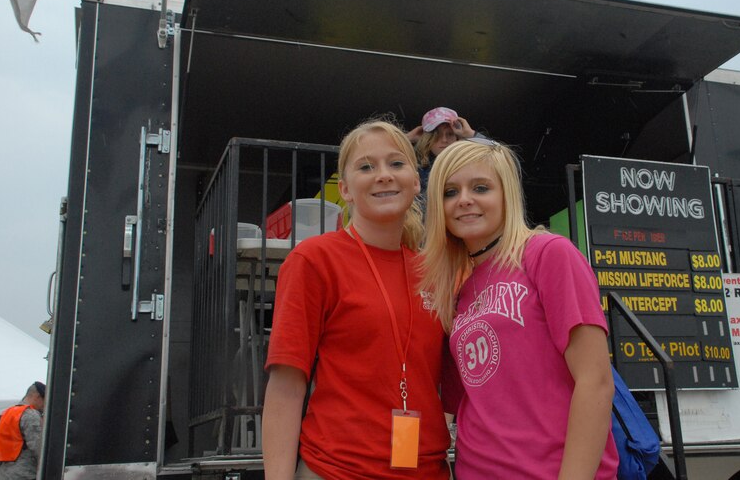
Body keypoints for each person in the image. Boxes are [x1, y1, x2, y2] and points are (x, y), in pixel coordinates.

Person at [262, 119, 450, 480]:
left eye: (396, 163)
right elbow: (286, 387)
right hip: (337, 470)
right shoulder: (314, 260)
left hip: (428, 470)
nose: (383, 175)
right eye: (366, 167)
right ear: (345, 189)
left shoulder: (434, 271)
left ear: (416, 181)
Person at [420, 139, 619, 479]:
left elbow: (596, 381)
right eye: (450, 192)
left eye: (480, 187)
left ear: (506, 194)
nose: (464, 199)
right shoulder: (460, 291)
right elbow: (462, 399)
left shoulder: (547, 253)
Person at [406, 107, 478, 196]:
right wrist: (406, 138)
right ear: (428, 138)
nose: (444, 140)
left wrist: (472, 134)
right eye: (437, 135)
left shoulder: (472, 163)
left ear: (457, 137)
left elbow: (495, 153)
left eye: (450, 134)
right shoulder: (414, 166)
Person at [0, 382, 45, 480]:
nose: (44, 405)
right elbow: (38, 447)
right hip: (24, 473)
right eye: (44, 401)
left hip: (4, 472)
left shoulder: (7, 412)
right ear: (37, 397)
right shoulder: (31, 415)